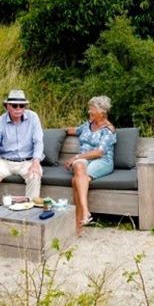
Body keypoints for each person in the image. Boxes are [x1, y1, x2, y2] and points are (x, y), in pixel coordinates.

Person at [0, 89, 43, 201]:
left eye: (22, 105)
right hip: (5, 162)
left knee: (35, 175)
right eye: (15, 105)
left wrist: (35, 163)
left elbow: (38, 142)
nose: (19, 109)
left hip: (27, 162)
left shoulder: (33, 118)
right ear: (7, 106)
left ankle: (30, 211)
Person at [64, 95, 117, 235]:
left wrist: (76, 156)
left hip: (102, 161)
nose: (89, 112)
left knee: (76, 179)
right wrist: (61, 131)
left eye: (92, 109)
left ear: (101, 111)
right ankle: (86, 213)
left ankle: (78, 223)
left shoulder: (109, 130)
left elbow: (99, 152)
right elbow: (74, 130)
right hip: (85, 161)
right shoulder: (88, 124)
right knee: (78, 168)